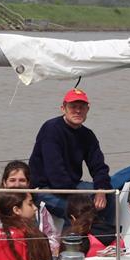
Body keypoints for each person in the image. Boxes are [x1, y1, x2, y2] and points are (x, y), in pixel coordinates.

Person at [28, 88, 112, 222]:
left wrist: (101, 190)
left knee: (110, 195)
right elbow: (56, 173)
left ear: (87, 110)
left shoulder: (88, 135)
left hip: (73, 186)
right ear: (63, 108)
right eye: (73, 107)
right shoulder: (51, 129)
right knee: (78, 210)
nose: (78, 111)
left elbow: (99, 167)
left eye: (82, 107)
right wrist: (79, 198)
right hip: (47, 189)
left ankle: (107, 237)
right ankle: (75, 240)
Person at [0, 160, 59, 257]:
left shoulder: (39, 208)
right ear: (4, 183)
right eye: (12, 180)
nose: (17, 185)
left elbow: (51, 237)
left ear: (28, 183)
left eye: (22, 180)